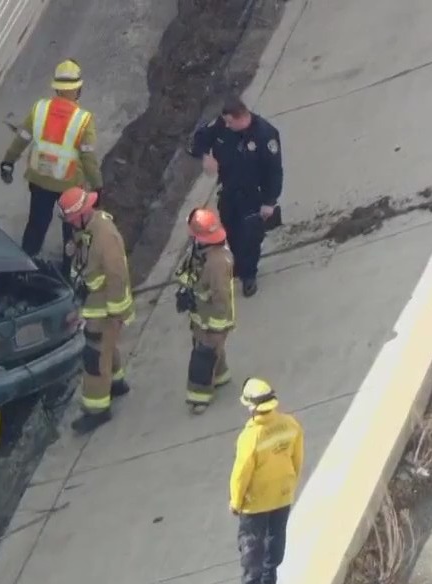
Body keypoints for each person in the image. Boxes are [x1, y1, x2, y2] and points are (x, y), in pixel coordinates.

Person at [0, 59, 104, 275]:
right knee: (71, 230)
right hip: (70, 184)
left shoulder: (40, 109)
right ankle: (68, 273)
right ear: (78, 89)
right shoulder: (83, 120)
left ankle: (24, 267)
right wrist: (97, 186)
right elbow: (88, 157)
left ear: (56, 87)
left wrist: (8, 161)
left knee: (36, 224)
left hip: (40, 179)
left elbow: (23, 137)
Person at [187, 95, 283, 297]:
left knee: (250, 237)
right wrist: (205, 156)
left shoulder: (265, 135)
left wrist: (269, 202)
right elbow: (199, 138)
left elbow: (274, 171)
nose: (227, 126)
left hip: (253, 195)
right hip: (229, 190)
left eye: (230, 122)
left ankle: (249, 275)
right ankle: (238, 266)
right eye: (226, 122)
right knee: (231, 233)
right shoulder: (222, 125)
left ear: (241, 117)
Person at [58, 187, 134, 434]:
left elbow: (117, 275)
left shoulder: (105, 236)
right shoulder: (88, 227)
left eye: (72, 220)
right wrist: (73, 247)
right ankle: (116, 383)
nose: (70, 224)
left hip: (105, 308)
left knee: (95, 357)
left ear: (83, 213)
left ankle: (97, 410)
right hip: (94, 302)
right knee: (106, 347)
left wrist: (116, 312)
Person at [230, 378, 304, 584]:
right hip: (282, 496)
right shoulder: (291, 425)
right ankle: (269, 578)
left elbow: (241, 473)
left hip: (256, 503)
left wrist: (236, 501)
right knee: (275, 541)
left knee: (252, 548)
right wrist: (289, 485)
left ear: (252, 407)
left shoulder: (250, 437)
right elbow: (297, 460)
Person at [174, 208, 236, 414]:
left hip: (213, 319)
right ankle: (220, 375)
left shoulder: (217, 262)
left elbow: (221, 296)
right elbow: (190, 272)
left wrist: (217, 326)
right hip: (202, 314)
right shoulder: (201, 251)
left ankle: (198, 396)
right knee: (209, 348)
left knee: (203, 354)